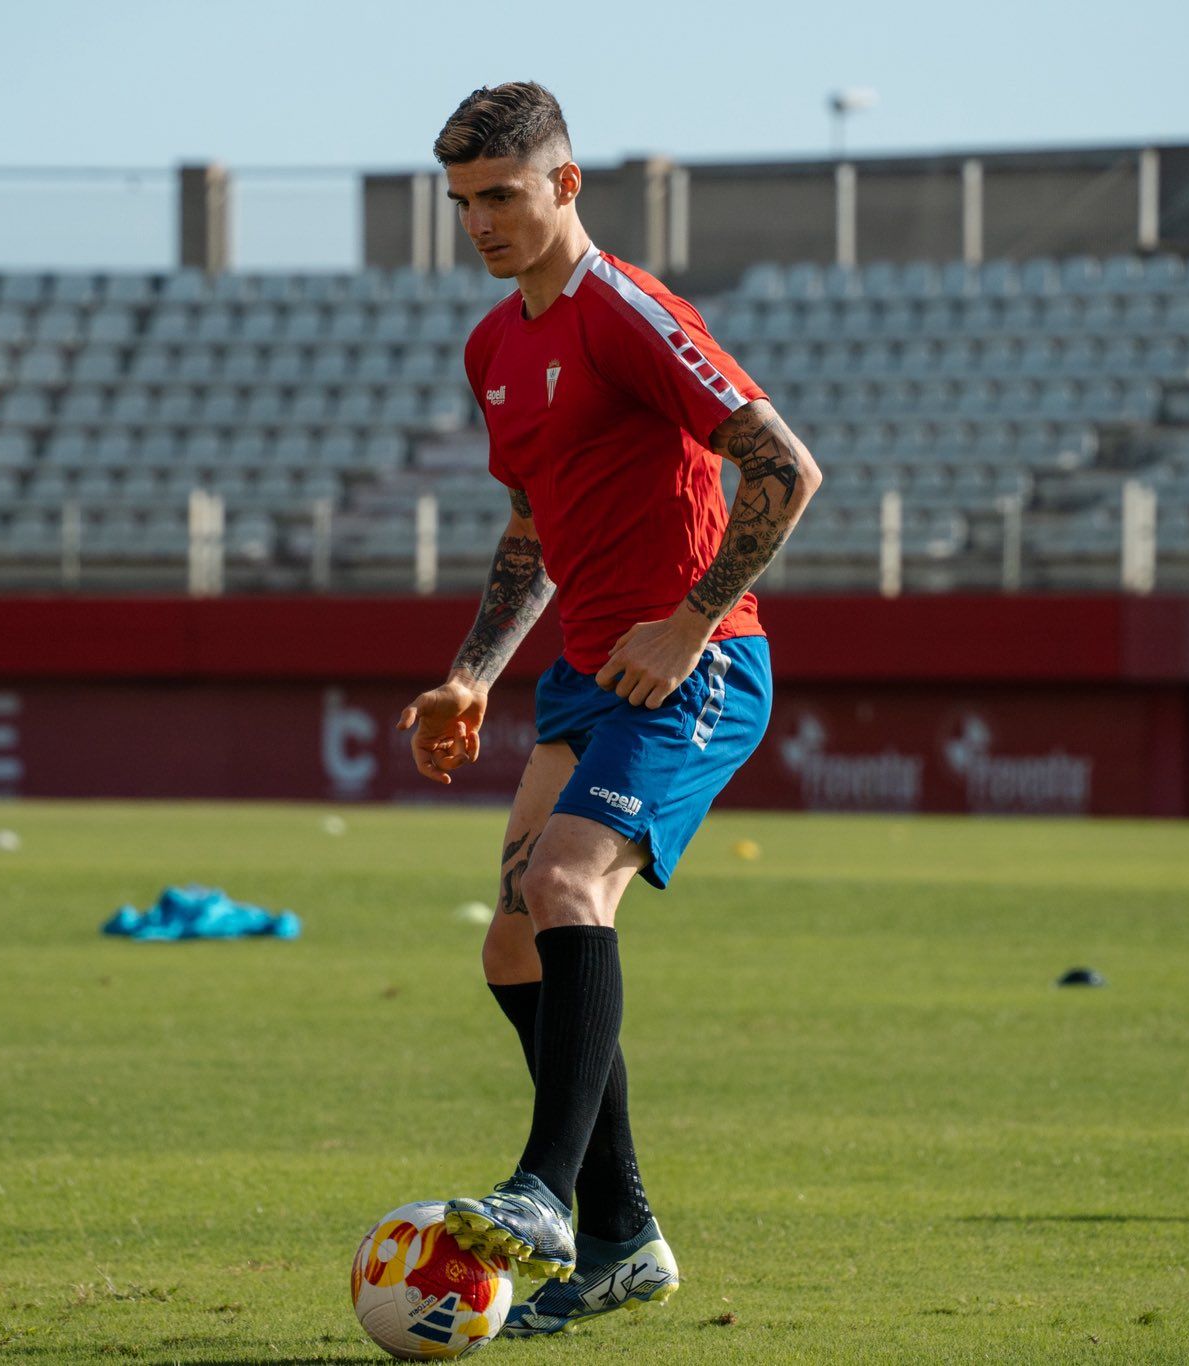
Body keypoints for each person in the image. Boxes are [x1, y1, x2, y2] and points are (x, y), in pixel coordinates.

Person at [394, 81, 820, 1339]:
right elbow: (531, 531)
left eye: (501, 196)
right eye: (462, 202)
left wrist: (688, 618)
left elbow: (784, 470)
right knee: (512, 936)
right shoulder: (493, 347)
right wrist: (471, 670)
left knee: (568, 884)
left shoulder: (626, 312)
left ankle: (543, 1192)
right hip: (586, 671)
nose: (479, 223)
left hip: (696, 665)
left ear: (564, 186)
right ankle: (625, 1234)